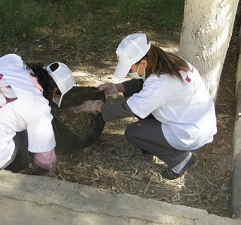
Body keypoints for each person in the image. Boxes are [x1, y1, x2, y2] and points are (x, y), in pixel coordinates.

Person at [75, 33, 217, 180]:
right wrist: (117, 87)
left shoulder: (161, 83)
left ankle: (180, 159)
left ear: (143, 63)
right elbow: (144, 83)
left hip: (188, 131)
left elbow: (127, 108)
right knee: (140, 105)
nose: (130, 73)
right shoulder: (165, 59)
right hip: (194, 118)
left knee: (132, 133)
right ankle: (154, 141)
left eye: (130, 69)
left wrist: (95, 107)